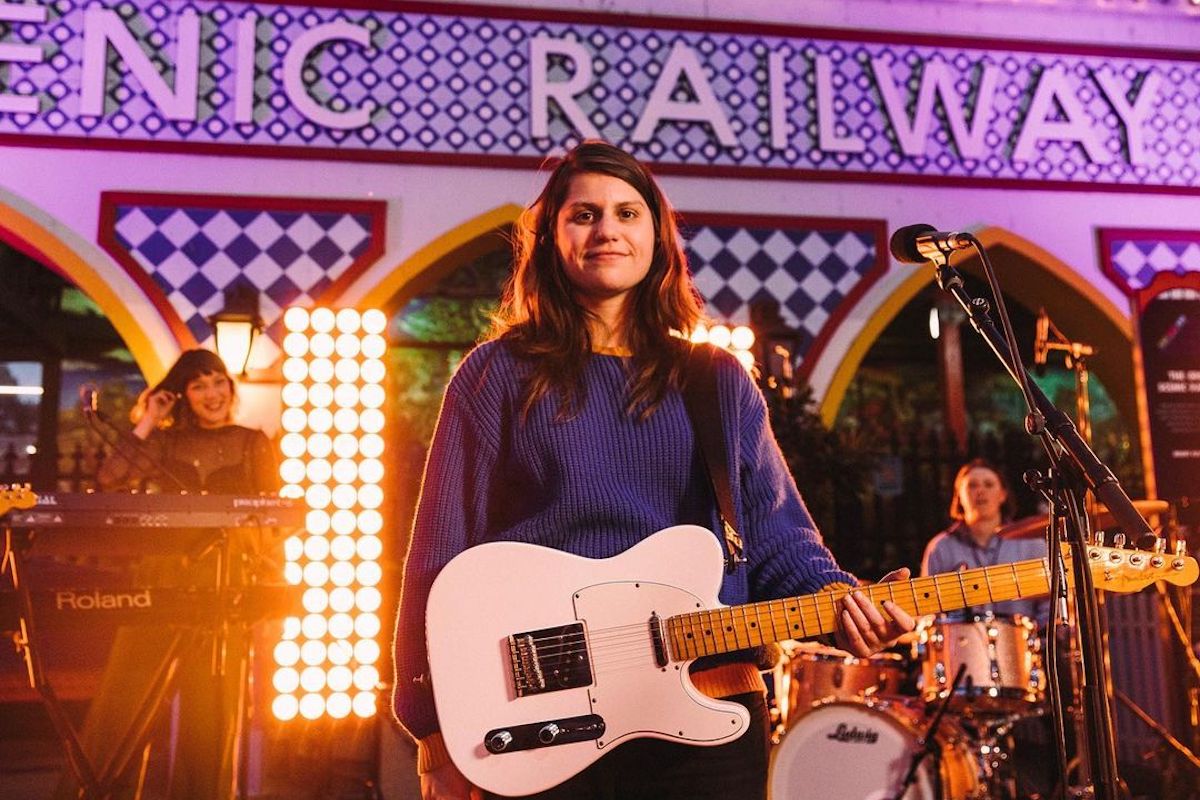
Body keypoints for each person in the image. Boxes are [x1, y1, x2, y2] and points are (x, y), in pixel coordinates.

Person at [391, 141, 915, 800]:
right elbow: (437, 561)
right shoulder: (495, 374)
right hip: (543, 720)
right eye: (584, 215)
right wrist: (434, 731)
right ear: (550, 238)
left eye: (627, 213)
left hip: (709, 712)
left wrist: (848, 607)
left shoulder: (715, 380)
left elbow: (780, 544)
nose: (607, 229)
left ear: (658, 239)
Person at [59, 349, 279, 800]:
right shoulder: (164, 441)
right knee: (123, 703)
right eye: (199, 386)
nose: (212, 393)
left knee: (211, 717)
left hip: (224, 586)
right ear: (182, 396)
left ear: (230, 387)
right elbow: (111, 479)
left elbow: (272, 520)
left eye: (218, 381)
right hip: (161, 582)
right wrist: (148, 420)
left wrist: (251, 566)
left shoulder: (252, 442)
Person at [921, 458, 1049, 624]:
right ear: (958, 495)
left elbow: (1049, 608)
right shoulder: (940, 548)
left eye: (988, 484)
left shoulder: (1032, 544)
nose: (980, 491)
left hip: (1022, 645)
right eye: (972, 485)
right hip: (961, 646)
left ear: (1002, 495)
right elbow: (929, 614)